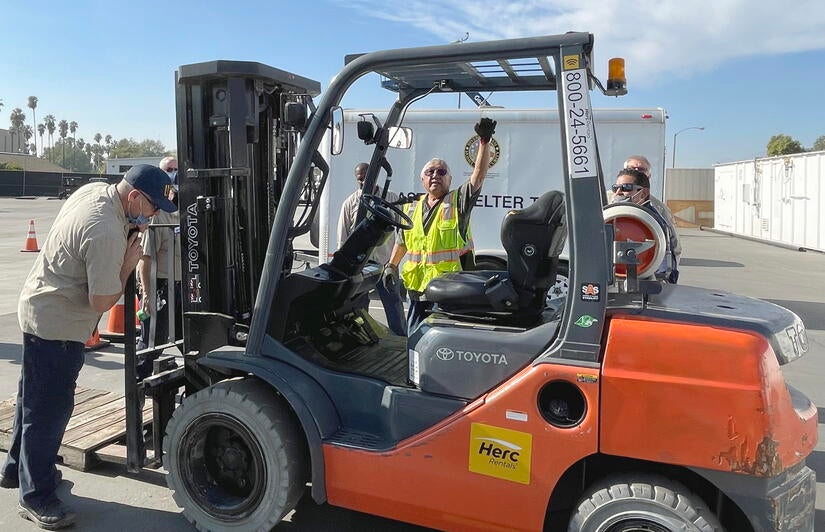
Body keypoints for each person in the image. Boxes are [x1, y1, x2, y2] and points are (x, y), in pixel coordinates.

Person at [0, 165, 176, 529]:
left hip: (40, 307)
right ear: (133, 198)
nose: (154, 214)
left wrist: (132, 227)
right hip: (58, 325)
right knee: (49, 411)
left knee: (31, 400)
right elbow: (101, 301)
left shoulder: (95, 191)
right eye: (152, 207)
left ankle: (17, 471)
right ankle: (37, 497)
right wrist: (128, 265)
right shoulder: (106, 232)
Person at [385, 118, 496, 332]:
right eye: (430, 172)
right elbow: (402, 242)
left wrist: (484, 141)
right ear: (423, 180)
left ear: (450, 180)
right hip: (418, 291)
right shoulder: (411, 209)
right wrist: (391, 266)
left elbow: (478, 177)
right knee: (414, 337)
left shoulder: (457, 202)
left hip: (449, 290)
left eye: (441, 172)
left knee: (440, 341)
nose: (435, 175)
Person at [337, 162, 407, 335]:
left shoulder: (390, 198)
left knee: (393, 304)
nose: (364, 182)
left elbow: (402, 232)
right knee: (359, 306)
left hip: (385, 263)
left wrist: (394, 263)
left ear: (375, 177)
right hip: (361, 265)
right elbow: (343, 236)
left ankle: (401, 339)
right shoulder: (350, 203)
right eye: (360, 179)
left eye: (367, 178)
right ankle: (363, 336)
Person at [137, 179, 182, 373]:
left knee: (184, 334)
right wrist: (147, 293)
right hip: (159, 284)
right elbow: (144, 259)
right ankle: (138, 379)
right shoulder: (158, 217)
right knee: (154, 340)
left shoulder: (185, 215)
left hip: (179, 284)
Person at [611, 168, 679, 283]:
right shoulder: (616, 216)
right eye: (615, 188)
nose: (618, 193)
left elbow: (663, 266)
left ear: (643, 193)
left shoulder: (653, 221)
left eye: (626, 188)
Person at [622, 155, 682, 265]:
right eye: (631, 169)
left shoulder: (659, 208)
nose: (637, 172)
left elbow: (674, 244)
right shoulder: (605, 200)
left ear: (649, 176)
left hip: (646, 266)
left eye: (641, 169)